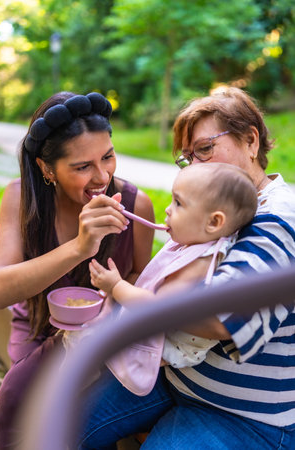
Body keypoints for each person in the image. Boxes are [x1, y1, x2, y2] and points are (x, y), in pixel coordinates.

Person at [74, 87, 295, 450]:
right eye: (188, 158)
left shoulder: (276, 220)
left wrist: (126, 293)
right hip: (177, 378)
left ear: (251, 141)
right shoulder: (216, 208)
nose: (197, 168)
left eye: (206, 149)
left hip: (242, 415)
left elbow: (220, 318)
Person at [0, 91, 155, 448]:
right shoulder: (20, 199)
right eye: (82, 166)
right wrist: (80, 248)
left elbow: (141, 279)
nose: (102, 176)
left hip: (107, 344)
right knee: (26, 409)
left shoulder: (136, 204)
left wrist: (111, 299)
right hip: (37, 332)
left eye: (108, 157)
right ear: (46, 168)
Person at [87, 163, 257, 395]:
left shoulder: (200, 262)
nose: (168, 210)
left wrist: (115, 286)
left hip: (170, 348)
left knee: (87, 343)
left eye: (178, 203)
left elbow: (158, 309)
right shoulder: (199, 242)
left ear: (214, 222)